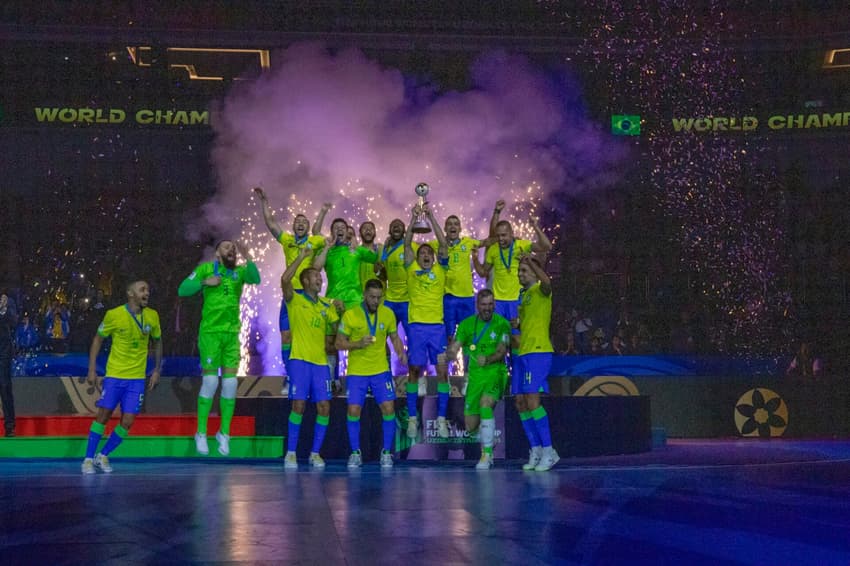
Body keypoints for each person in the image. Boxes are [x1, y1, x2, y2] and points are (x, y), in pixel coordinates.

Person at [178, 240, 260, 456]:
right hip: (210, 334)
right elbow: (183, 289)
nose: (231, 250)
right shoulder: (206, 269)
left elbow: (256, 278)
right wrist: (205, 282)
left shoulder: (240, 272)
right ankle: (201, 433)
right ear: (216, 253)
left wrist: (248, 254)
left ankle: (224, 433)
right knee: (211, 380)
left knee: (231, 384)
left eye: (233, 248)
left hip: (232, 334)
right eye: (226, 247)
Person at [81, 280, 162, 473]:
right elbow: (97, 339)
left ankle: (103, 455)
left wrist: (157, 369)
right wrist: (91, 369)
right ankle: (87, 459)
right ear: (130, 293)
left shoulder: (152, 316)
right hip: (115, 375)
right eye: (142, 289)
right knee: (104, 415)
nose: (147, 293)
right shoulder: (114, 315)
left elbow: (158, 342)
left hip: (136, 379)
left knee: (128, 421)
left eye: (148, 290)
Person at [254, 187, 328, 381]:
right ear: (294, 226)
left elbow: (331, 241)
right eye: (298, 222)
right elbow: (271, 223)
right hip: (289, 295)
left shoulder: (315, 241)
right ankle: (291, 375)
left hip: (307, 296)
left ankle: (316, 373)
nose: (301, 224)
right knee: (286, 337)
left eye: (304, 222)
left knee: (309, 336)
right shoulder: (287, 240)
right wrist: (264, 202)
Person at [335, 279, 407, 468]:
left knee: (389, 409)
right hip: (357, 372)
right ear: (365, 296)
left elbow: (394, 337)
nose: (376, 301)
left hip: (380, 371)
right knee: (353, 410)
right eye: (372, 297)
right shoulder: (351, 315)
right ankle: (355, 453)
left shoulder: (388, 313)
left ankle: (386, 453)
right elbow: (338, 343)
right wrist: (357, 344)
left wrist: (401, 352)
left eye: (379, 298)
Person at [281, 247, 340, 469]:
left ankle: (315, 453)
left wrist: (340, 310)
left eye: (320, 277)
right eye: (316, 276)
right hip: (299, 361)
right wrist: (302, 257)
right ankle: (291, 453)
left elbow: (336, 330)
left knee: (324, 407)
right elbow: (285, 278)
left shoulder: (327, 304)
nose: (320, 279)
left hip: (321, 364)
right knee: (298, 405)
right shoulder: (294, 299)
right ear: (305, 281)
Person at [443, 289, 510, 470]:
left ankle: (487, 455)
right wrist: (449, 353)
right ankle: (487, 436)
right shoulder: (466, 325)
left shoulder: (502, 324)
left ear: (494, 304)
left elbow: (502, 350)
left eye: (490, 304)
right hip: (474, 378)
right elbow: (455, 346)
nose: (487, 308)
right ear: (477, 305)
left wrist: (487, 359)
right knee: (471, 425)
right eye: (484, 304)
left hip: (496, 373)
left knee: (485, 404)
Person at [403, 203, 450, 440]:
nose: (425, 256)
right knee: (414, 371)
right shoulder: (410, 268)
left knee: (442, 372)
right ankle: (413, 419)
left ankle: (441, 419)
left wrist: (431, 217)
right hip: (417, 328)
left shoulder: (440, 270)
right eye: (422, 253)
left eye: (428, 254)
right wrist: (413, 219)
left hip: (437, 329)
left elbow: (443, 244)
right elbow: (406, 244)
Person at [514, 255, 559, 471]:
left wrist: (531, 262)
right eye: (520, 270)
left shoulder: (542, 290)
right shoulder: (522, 296)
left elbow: (548, 282)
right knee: (521, 402)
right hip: (523, 353)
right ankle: (536, 449)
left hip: (539, 352)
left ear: (534, 271)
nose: (520, 274)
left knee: (533, 400)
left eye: (524, 270)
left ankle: (549, 451)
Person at [378, 218, 417, 340]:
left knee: (412, 337)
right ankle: (383, 359)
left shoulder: (412, 247)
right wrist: (378, 271)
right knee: (381, 335)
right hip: (390, 300)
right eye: (393, 225)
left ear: (405, 231)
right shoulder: (385, 249)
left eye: (400, 225)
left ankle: (413, 359)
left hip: (407, 299)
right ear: (389, 231)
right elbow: (384, 276)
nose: (396, 227)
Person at [0, 293, 18, 437]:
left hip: (2, 352)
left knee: (5, 386)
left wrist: (3, 309)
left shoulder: (7, 300)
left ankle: (10, 426)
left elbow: (13, 322)